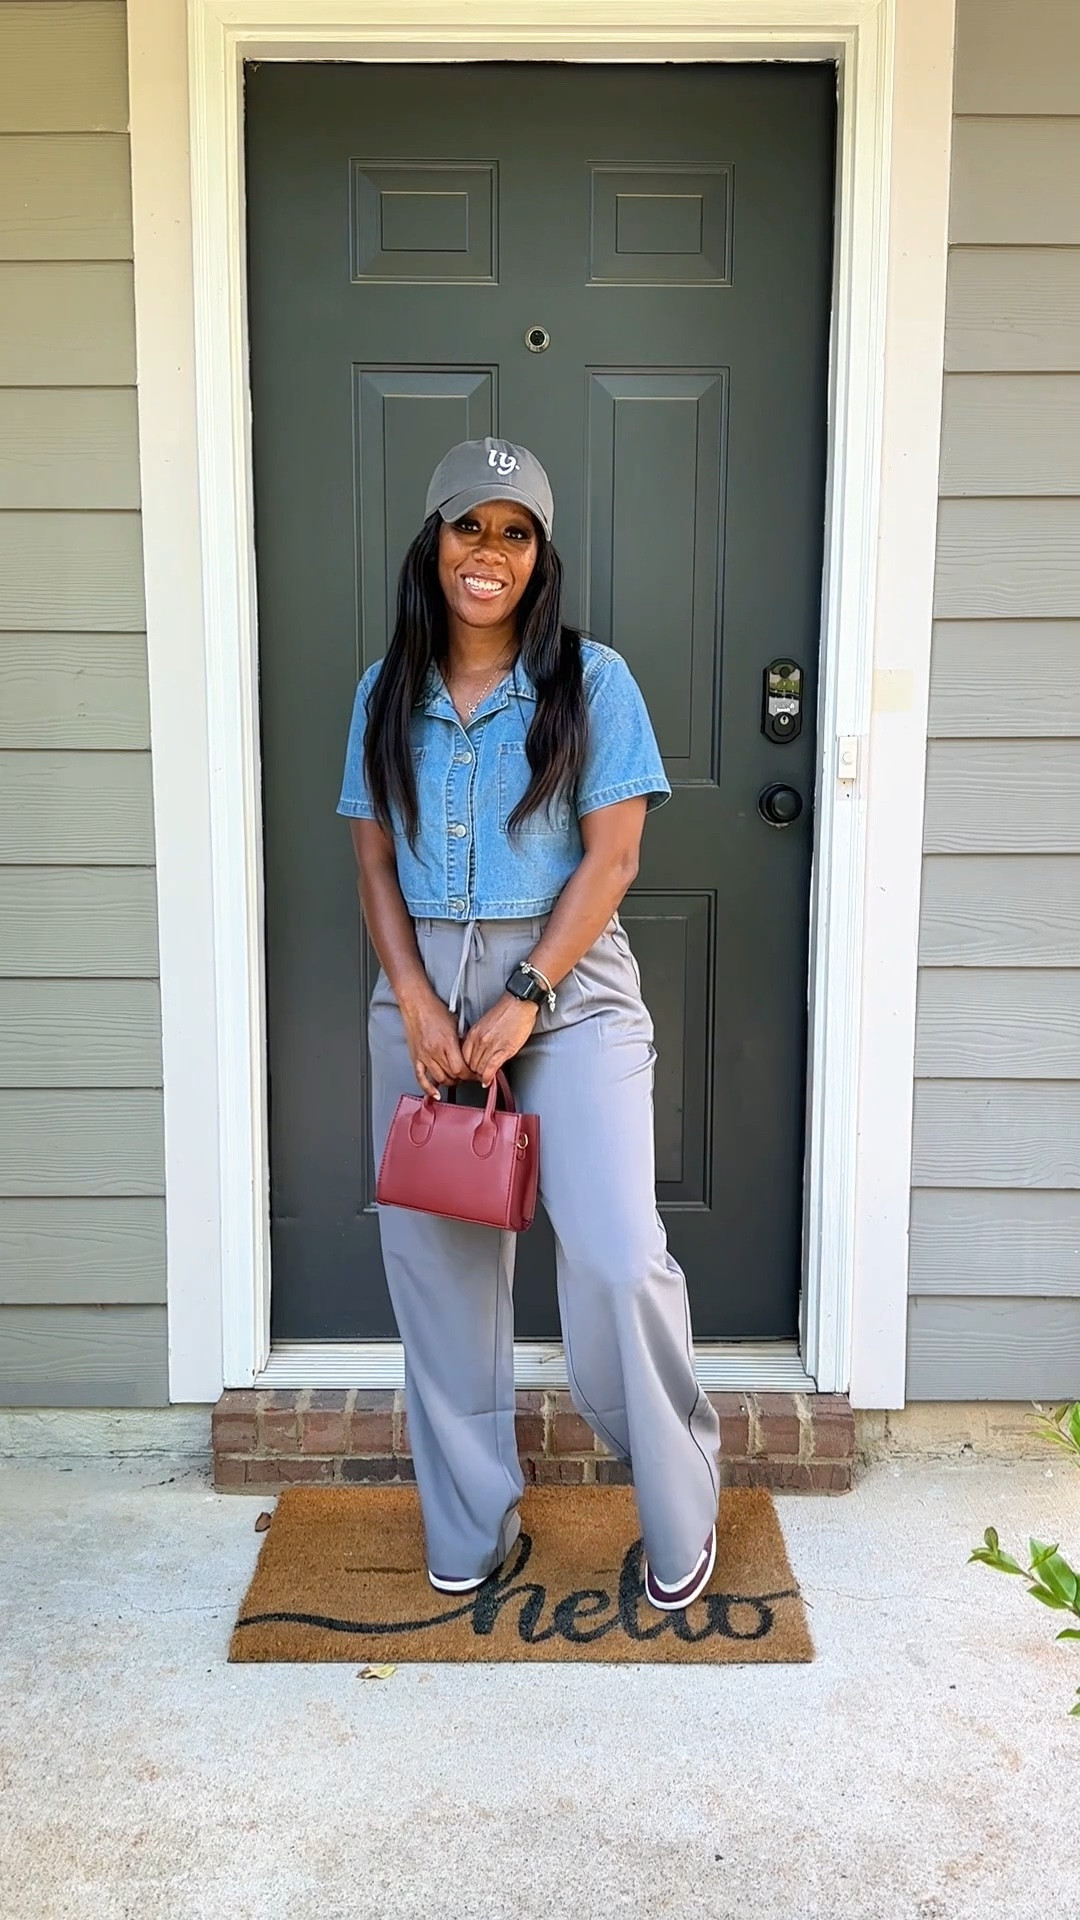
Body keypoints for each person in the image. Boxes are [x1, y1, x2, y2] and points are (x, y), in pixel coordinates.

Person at [338, 437, 721, 1610]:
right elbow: (371, 866)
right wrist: (409, 994)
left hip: (569, 992)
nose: (488, 552)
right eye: (468, 526)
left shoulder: (590, 682)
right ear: (433, 542)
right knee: (440, 1277)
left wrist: (527, 996)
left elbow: (613, 859)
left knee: (614, 1255)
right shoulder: (384, 689)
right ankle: (468, 1526)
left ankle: (677, 1508)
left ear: (539, 554)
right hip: (424, 998)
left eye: (514, 531)